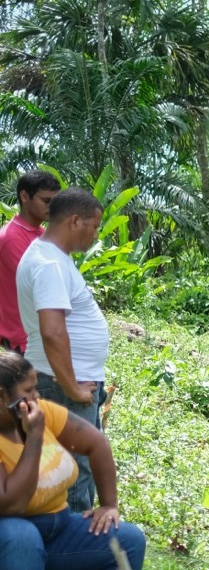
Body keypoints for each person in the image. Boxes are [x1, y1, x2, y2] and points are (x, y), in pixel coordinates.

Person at [0, 350, 145, 570]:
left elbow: (96, 444)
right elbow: (12, 504)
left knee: (128, 540)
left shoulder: (44, 413)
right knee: (23, 535)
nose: (36, 399)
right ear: (3, 397)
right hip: (11, 544)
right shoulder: (34, 426)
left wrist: (108, 505)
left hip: (57, 531)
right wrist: (34, 439)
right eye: (28, 392)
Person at [15, 188, 109, 512]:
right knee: (72, 470)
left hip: (63, 379)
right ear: (74, 221)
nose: (96, 234)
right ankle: (71, 551)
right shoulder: (49, 264)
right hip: (61, 384)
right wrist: (71, 387)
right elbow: (53, 331)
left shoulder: (52, 257)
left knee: (73, 464)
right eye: (94, 226)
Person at [0, 170, 61, 352]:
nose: (52, 207)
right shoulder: (11, 238)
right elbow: (42, 285)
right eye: (46, 201)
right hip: (23, 339)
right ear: (25, 196)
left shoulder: (42, 234)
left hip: (42, 334)